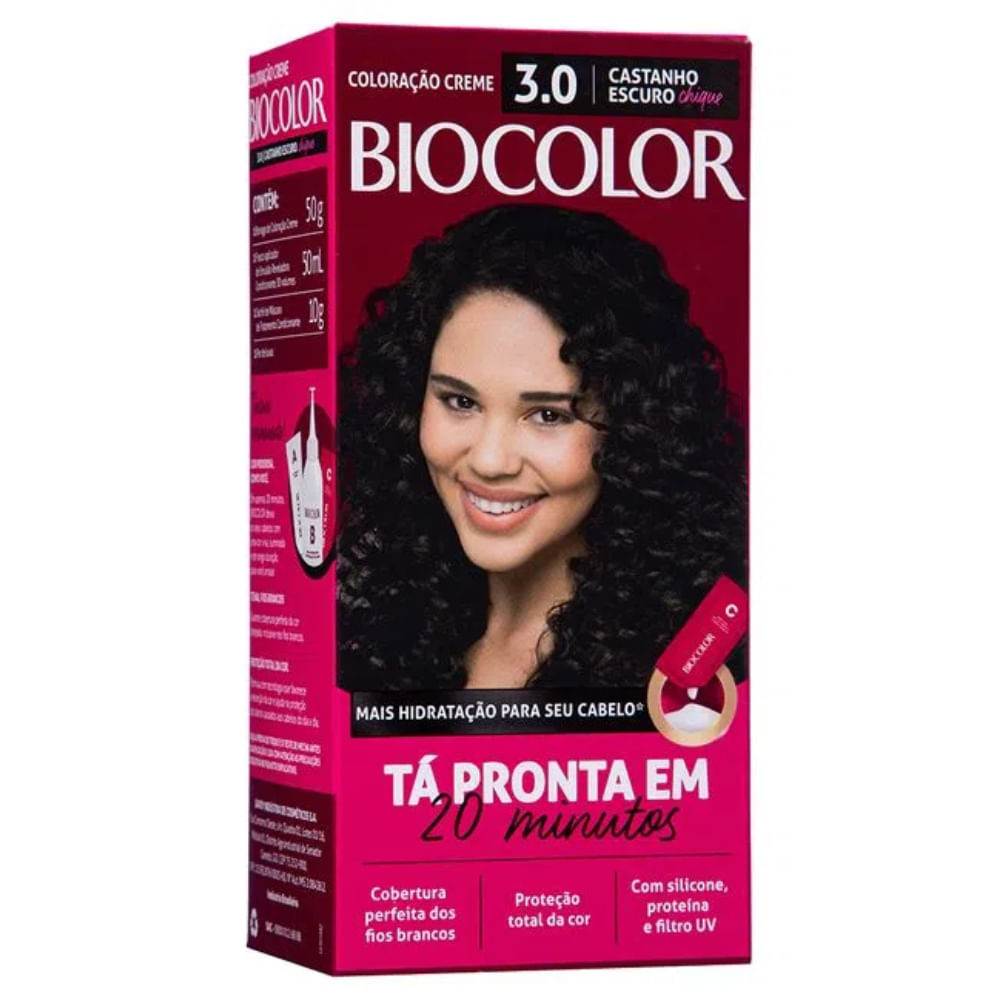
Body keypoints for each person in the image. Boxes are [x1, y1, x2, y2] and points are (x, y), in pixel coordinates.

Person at [336, 204, 746, 691]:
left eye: (548, 415)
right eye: (461, 402)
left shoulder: (701, 663)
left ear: (635, 428)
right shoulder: (370, 627)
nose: (490, 461)